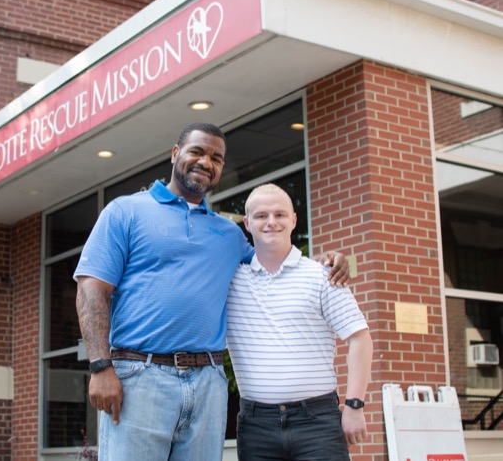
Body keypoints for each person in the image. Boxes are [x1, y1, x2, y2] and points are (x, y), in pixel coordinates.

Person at [74, 123, 350, 461]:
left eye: (216, 158)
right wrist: (101, 367)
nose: (206, 162)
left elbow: (274, 266)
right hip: (139, 379)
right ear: (176, 154)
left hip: (208, 384)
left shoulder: (229, 234)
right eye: (197, 151)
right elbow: (92, 291)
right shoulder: (125, 212)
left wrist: (326, 261)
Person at [226, 183, 373, 461]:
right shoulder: (231, 280)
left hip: (318, 423)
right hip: (256, 426)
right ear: (247, 223)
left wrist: (355, 406)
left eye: (280, 215)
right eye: (261, 216)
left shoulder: (323, 275)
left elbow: (360, 338)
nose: (271, 222)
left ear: (293, 220)